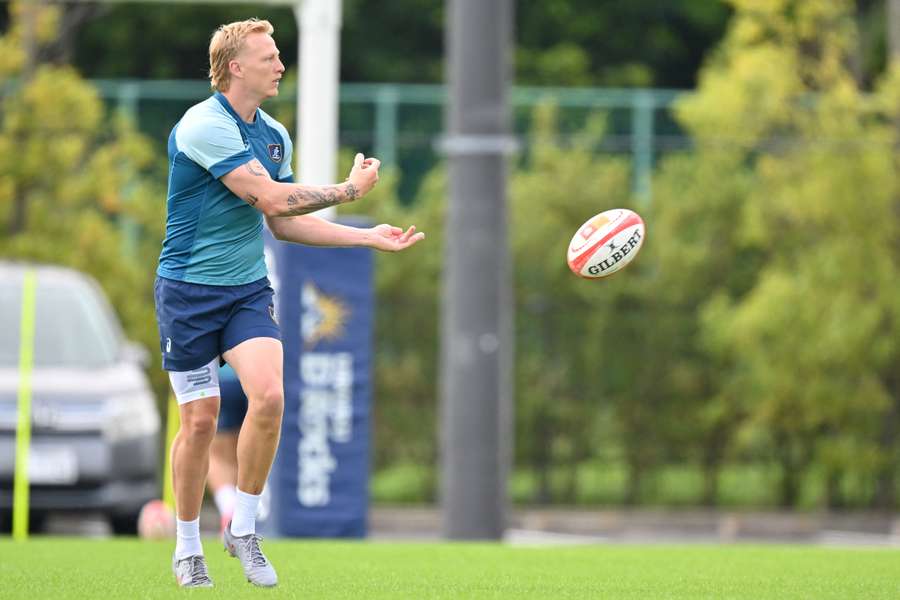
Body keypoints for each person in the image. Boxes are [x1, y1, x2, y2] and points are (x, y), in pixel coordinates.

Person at [155, 17, 425, 589]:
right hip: (187, 292)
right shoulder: (204, 124)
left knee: (271, 396)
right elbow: (268, 194)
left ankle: (244, 531)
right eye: (269, 56)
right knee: (200, 422)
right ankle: (187, 547)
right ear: (235, 66)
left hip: (247, 289)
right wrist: (348, 190)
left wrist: (365, 234)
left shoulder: (274, 133)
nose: (280, 65)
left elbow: (283, 223)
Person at [206, 363, 245, 537]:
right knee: (242, 454)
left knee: (216, 454)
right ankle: (240, 514)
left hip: (221, 377)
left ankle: (230, 510)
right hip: (258, 375)